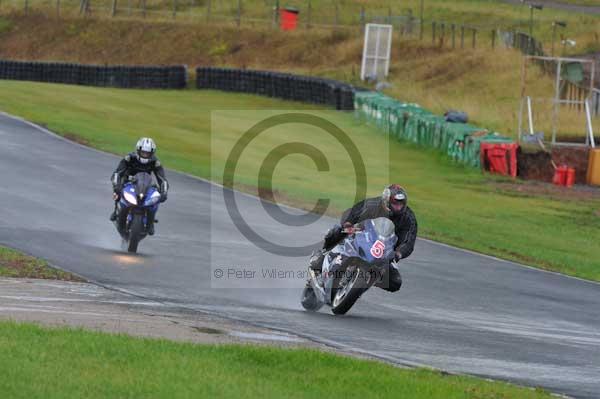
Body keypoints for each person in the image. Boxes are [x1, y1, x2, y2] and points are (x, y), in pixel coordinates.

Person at [310, 184, 417, 292]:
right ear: (386, 201)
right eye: (395, 203)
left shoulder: (409, 218)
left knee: (395, 282)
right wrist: (348, 223)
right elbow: (354, 212)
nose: (398, 207)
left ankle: (364, 283)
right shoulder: (373, 204)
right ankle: (322, 255)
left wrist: (399, 253)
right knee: (338, 230)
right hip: (363, 234)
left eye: (401, 204)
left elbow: (409, 242)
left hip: (386, 251)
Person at [110, 137, 168, 235]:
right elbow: (117, 173)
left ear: (152, 153)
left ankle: (151, 221)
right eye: (143, 152)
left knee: (156, 197)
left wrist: (164, 192)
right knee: (117, 193)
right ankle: (116, 211)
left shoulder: (155, 162)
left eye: (147, 153)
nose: (145, 155)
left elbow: (162, 179)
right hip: (128, 182)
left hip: (145, 185)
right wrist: (117, 186)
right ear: (138, 150)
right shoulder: (129, 158)